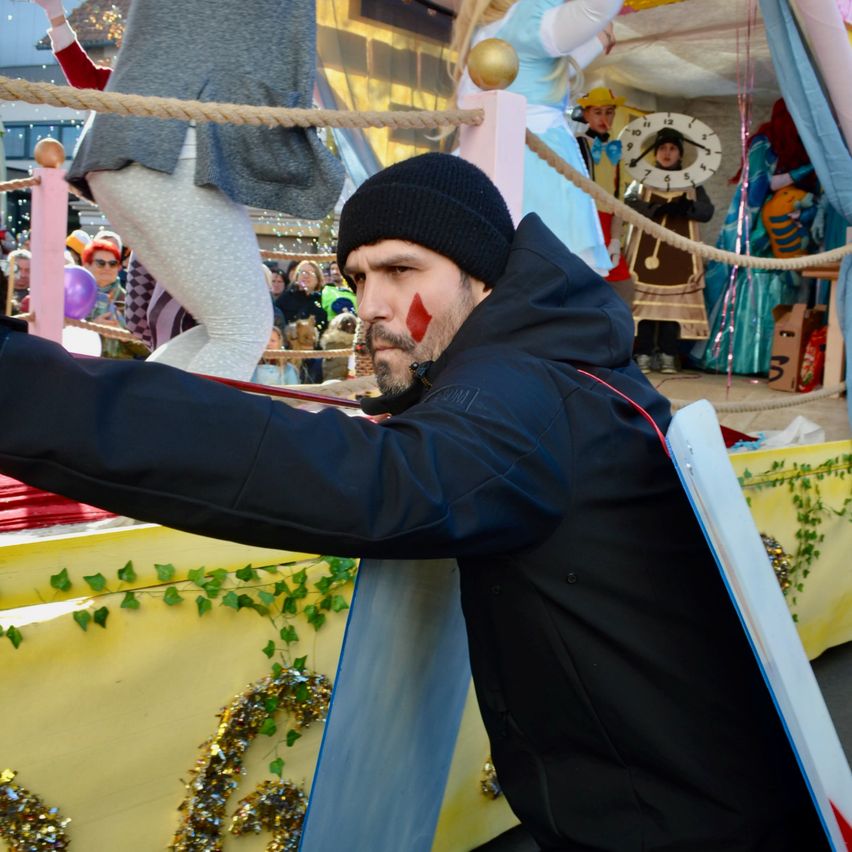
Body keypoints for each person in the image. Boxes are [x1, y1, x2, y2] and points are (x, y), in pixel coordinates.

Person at [0, 154, 826, 851]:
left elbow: (368, 481)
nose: (373, 306)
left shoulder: (519, 397)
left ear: (481, 276)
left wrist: (22, 392)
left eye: (403, 270)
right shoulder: (558, 364)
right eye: (360, 276)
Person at [56, 0, 343, 381]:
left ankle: (131, 432)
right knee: (241, 331)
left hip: (125, 155)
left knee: (224, 329)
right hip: (173, 153)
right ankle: (170, 439)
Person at [451, 0, 621, 276]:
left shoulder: (496, 29)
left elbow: (544, 70)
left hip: (487, 160)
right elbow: (595, 9)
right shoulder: (528, 15)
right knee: (544, 285)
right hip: (534, 166)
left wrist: (600, 35)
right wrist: (600, 27)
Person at [696, 98, 818, 374]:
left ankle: (776, 361)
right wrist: (807, 170)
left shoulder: (806, 146)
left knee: (784, 282)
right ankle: (743, 359)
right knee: (754, 283)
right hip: (756, 229)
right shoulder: (763, 143)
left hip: (792, 225)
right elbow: (761, 184)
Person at [624, 127, 714, 373]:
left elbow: (707, 212)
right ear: (654, 153)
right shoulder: (641, 180)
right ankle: (642, 353)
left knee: (672, 306)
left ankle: (668, 354)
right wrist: (655, 209)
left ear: (680, 154)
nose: (667, 152)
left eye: (672, 148)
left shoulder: (692, 183)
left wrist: (685, 208)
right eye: (662, 148)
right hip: (645, 253)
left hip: (678, 256)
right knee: (644, 304)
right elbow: (628, 203)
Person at [574, 86, 635, 307]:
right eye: (598, 112)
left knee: (623, 286)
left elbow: (619, 197)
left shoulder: (615, 150)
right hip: (585, 221)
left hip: (609, 223)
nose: (604, 118)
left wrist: (616, 237)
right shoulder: (578, 143)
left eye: (609, 112)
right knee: (586, 284)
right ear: (587, 114)